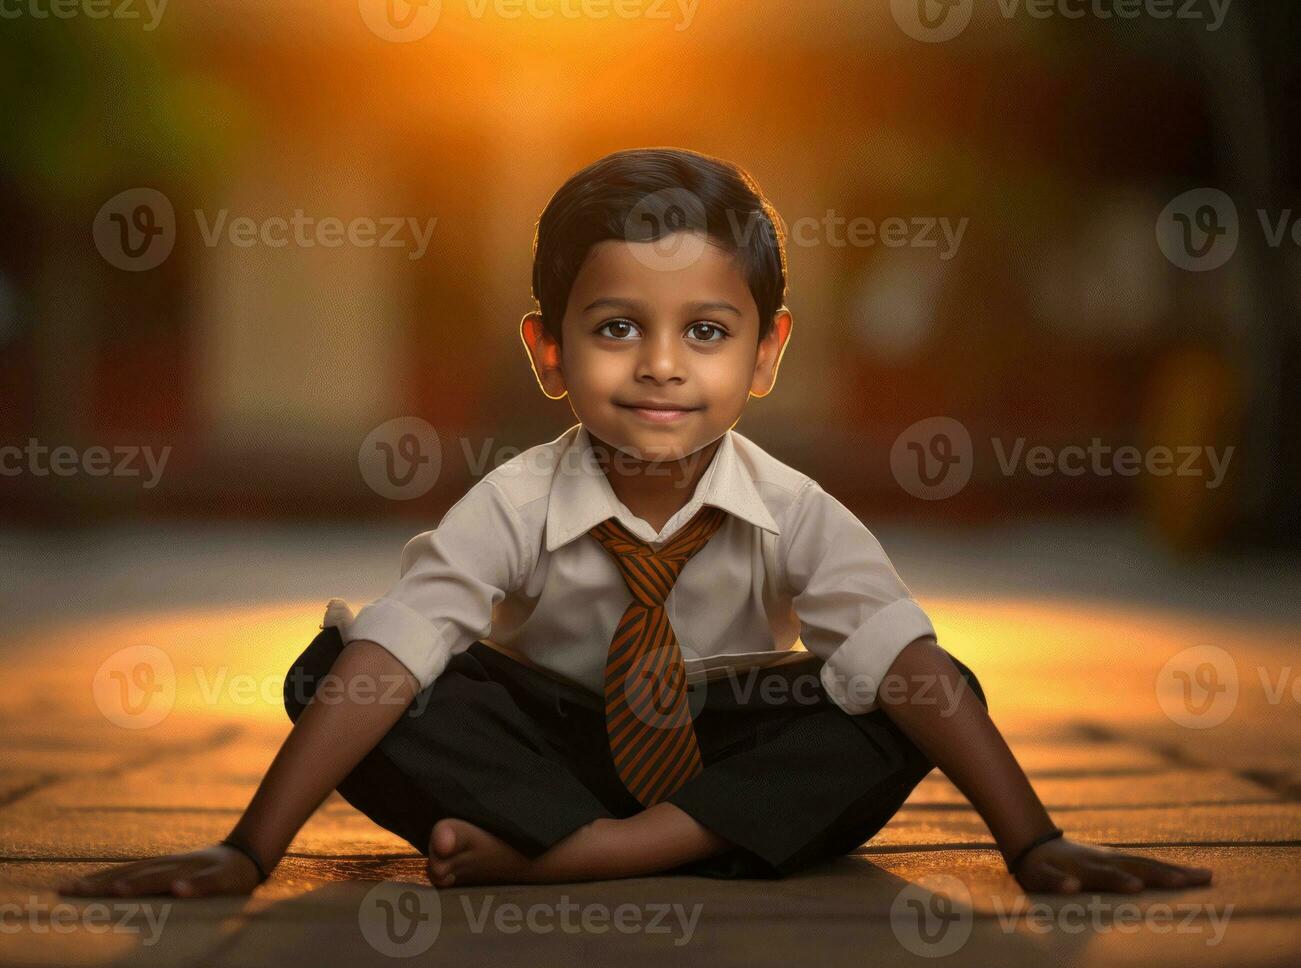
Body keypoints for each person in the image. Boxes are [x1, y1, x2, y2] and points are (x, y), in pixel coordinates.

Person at [61, 147, 1212, 898]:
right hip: (542, 742)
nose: (660, 367)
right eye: (616, 328)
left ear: (766, 354)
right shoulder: (516, 499)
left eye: (705, 332)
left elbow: (901, 655)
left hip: (724, 739)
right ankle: (622, 840)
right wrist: (245, 848)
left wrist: (1032, 840)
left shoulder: (792, 507)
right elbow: (402, 645)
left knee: (902, 690)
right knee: (337, 672)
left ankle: (579, 856)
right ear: (547, 352)